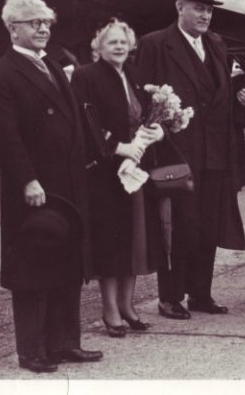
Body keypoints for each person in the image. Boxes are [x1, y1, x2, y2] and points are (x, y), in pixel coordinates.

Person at [0, 0, 102, 373]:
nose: (43, 29)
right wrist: (28, 180)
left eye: (46, 22)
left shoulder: (52, 65)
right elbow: (5, 137)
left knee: (66, 264)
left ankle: (65, 343)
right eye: (34, 23)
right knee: (33, 269)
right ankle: (32, 350)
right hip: (34, 188)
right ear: (12, 28)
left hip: (66, 184)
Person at [136, 0, 245, 319]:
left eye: (209, 10)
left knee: (208, 225)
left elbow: (219, 97)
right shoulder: (156, 44)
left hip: (215, 153)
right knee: (177, 224)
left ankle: (200, 293)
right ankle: (170, 297)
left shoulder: (216, 44)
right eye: (199, 8)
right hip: (176, 153)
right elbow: (143, 98)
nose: (205, 16)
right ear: (179, 7)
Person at [70, 19, 165, 337]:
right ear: (99, 47)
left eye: (123, 41)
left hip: (137, 170)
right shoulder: (86, 76)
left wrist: (156, 131)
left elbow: (147, 114)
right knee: (110, 243)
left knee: (135, 240)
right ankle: (110, 309)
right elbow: (85, 121)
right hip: (106, 173)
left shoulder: (135, 75)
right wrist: (117, 147)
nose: (119, 47)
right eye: (112, 42)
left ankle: (127, 305)